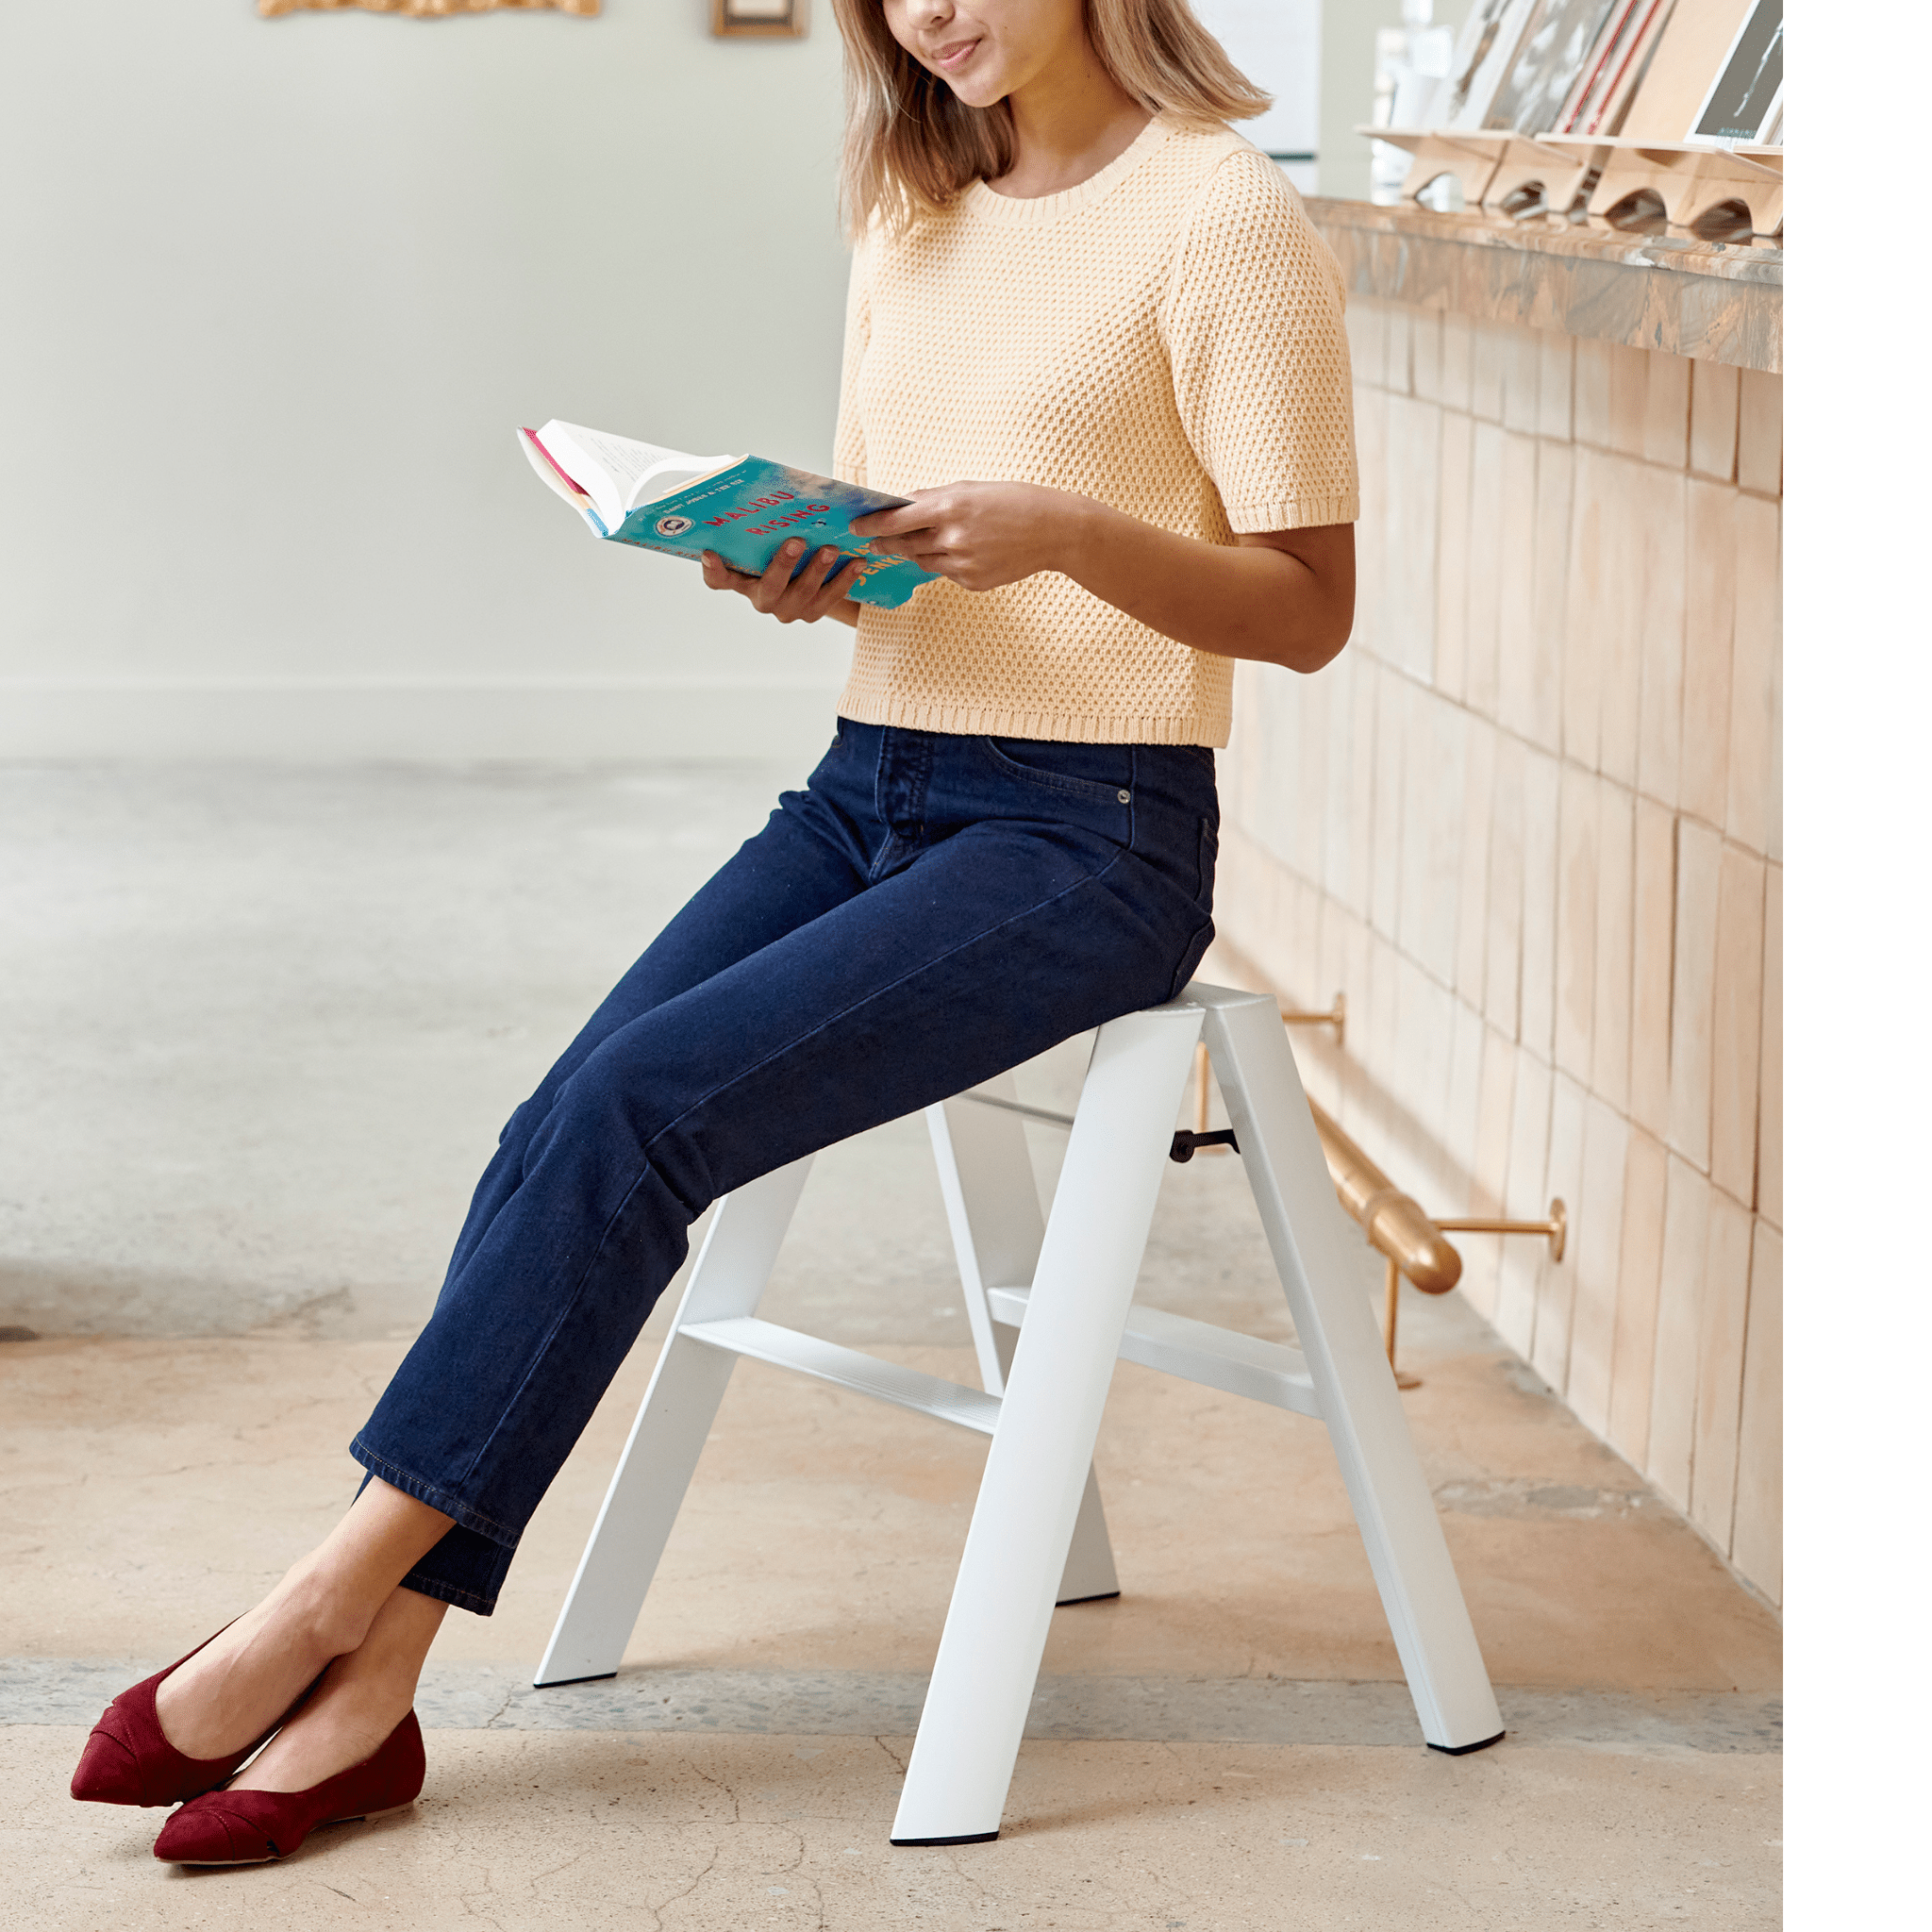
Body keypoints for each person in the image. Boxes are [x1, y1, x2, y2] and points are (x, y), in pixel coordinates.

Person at [70, 0, 1357, 1867]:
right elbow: (908, 563)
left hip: (1092, 832)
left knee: (638, 1110)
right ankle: (366, 1694)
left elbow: (1307, 610)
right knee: (561, 1118)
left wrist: (1074, 533)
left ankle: (313, 1603)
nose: (929, 14)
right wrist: (798, 569)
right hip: (872, 777)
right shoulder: (912, 203)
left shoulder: (1221, 213)